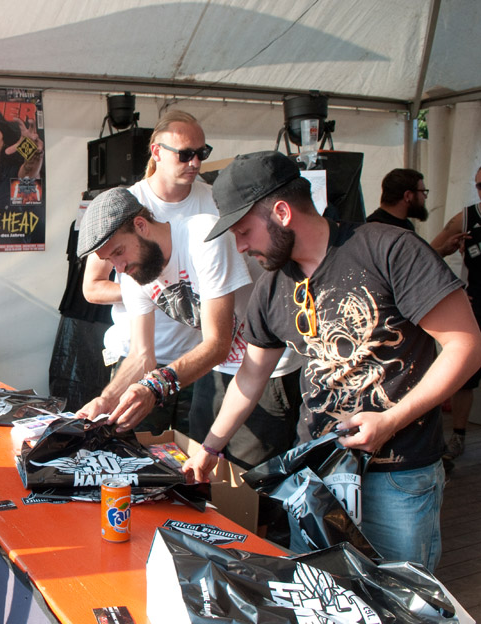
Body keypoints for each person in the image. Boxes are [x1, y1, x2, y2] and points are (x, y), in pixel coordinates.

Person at [185, 150, 481, 570]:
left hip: (398, 475)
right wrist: (211, 447)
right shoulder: (273, 286)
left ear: (282, 212)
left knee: (401, 605)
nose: (241, 245)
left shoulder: (389, 249)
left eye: (244, 230)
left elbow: (466, 346)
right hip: (320, 478)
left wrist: (392, 420)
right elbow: (251, 376)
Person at [74, 187, 301, 477]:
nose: (120, 267)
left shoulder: (201, 236)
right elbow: (142, 356)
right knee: (201, 469)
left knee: (248, 481)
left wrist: (155, 387)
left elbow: (218, 342)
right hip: (217, 369)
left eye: (119, 252)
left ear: (141, 226)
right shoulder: (133, 275)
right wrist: (106, 400)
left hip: (266, 368)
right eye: (110, 261)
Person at [82, 110, 217, 431]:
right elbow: (92, 288)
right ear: (157, 151)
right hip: (137, 357)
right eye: (185, 154)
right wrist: (160, 291)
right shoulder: (125, 206)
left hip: (199, 359)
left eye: (202, 153)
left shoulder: (212, 205)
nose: (195, 163)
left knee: (192, 460)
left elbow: (221, 336)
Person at [431, 165, 481, 468]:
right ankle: (459, 435)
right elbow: (428, 250)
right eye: (478, 186)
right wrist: (448, 248)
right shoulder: (467, 217)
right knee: (465, 376)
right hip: (476, 306)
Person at [368, 168, 465, 256]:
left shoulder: (404, 225)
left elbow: (413, 261)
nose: (425, 197)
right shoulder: (377, 230)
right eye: (423, 191)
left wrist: (443, 250)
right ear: (408, 196)